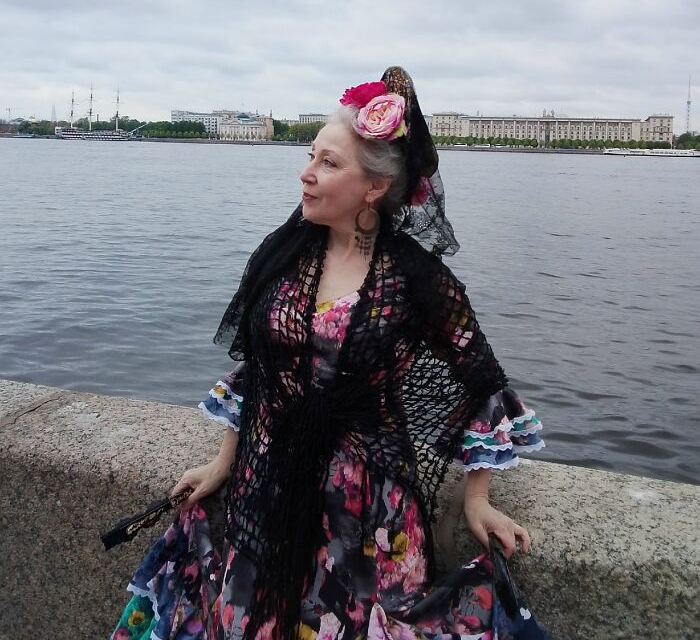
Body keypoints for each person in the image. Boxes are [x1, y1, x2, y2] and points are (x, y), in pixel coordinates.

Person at [110, 67, 545, 640]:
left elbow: (480, 380)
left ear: (374, 188)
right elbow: (264, 371)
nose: (306, 174)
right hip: (267, 489)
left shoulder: (416, 279)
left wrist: (477, 495)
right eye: (312, 156)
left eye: (328, 163)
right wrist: (222, 464)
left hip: (366, 513)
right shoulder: (284, 253)